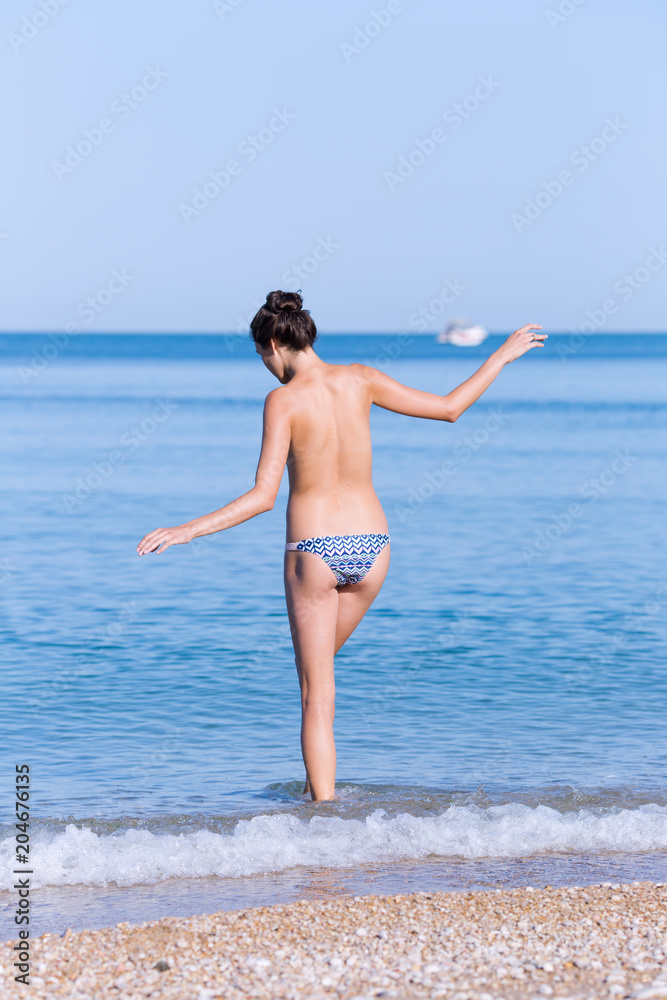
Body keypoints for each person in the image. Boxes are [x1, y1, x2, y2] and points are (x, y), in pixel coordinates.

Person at [137, 291, 546, 801]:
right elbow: (449, 409)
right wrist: (500, 356)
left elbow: (264, 497)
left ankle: (323, 823)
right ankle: (318, 799)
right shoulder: (361, 378)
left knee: (316, 696)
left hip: (314, 550)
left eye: (263, 357)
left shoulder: (282, 401)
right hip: (373, 547)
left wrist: (188, 530)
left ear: (272, 345)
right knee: (317, 674)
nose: (267, 368)